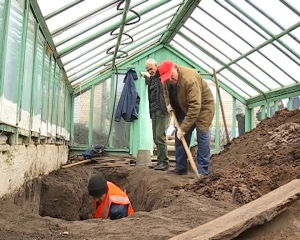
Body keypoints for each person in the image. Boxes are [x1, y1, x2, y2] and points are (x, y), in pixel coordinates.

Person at [159, 60, 215, 176]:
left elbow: (195, 107)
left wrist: (183, 129)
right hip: (185, 107)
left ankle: (202, 171)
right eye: (167, 78)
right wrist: (168, 104)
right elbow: (165, 91)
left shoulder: (190, 79)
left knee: (202, 137)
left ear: (174, 67)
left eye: (171, 76)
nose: (170, 79)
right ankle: (181, 167)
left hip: (203, 108)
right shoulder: (167, 79)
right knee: (179, 137)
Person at [144, 59, 169, 171]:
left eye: (151, 68)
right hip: (154, 111)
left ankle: (164, 162)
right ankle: (159, 161)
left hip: (162, 111)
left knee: (160, 136)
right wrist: (146, 76)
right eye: (148, 70)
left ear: (156, 66)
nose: (150, 71)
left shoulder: (160, 76)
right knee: (155, 137)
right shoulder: (152, 80)